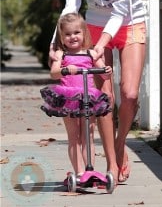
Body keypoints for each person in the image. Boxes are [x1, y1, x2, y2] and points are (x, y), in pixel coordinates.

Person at [49, 0, 146, 184]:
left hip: (129, 22)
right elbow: (71, 4)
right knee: (104, 98)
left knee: (129, 94)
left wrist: (101, 43)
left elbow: (122, 9)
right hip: (93, 22)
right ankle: (112, 166)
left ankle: (118, 146)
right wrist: (54, 44)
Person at [41, 13, 112, 181]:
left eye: (76, 33)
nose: (72, 37)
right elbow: (54, 73)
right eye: (68, 34)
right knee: (74, 136)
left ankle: (90, 170)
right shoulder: (61, 54)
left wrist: (106, 70)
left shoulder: (91, 54)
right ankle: (80, 172)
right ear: (62, 37)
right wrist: (66, 68)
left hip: (88, 97)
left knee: (88, 135)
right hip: (69, 98)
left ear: (84, 33)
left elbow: (104, 74)